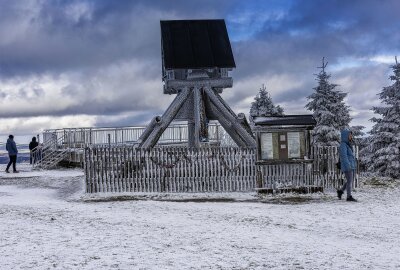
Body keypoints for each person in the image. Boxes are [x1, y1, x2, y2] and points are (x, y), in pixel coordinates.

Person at [337, 130, 357, 202]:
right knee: (349, 181)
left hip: (351, 165)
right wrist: (348, 165)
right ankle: (349, 197)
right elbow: (344, 156)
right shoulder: (343, 145)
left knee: (349, 180)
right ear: (345, 136)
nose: (351, 136)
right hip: (347, 166)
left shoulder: (347, 144)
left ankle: (340, 191)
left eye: (351, 135)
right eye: (350, 135)